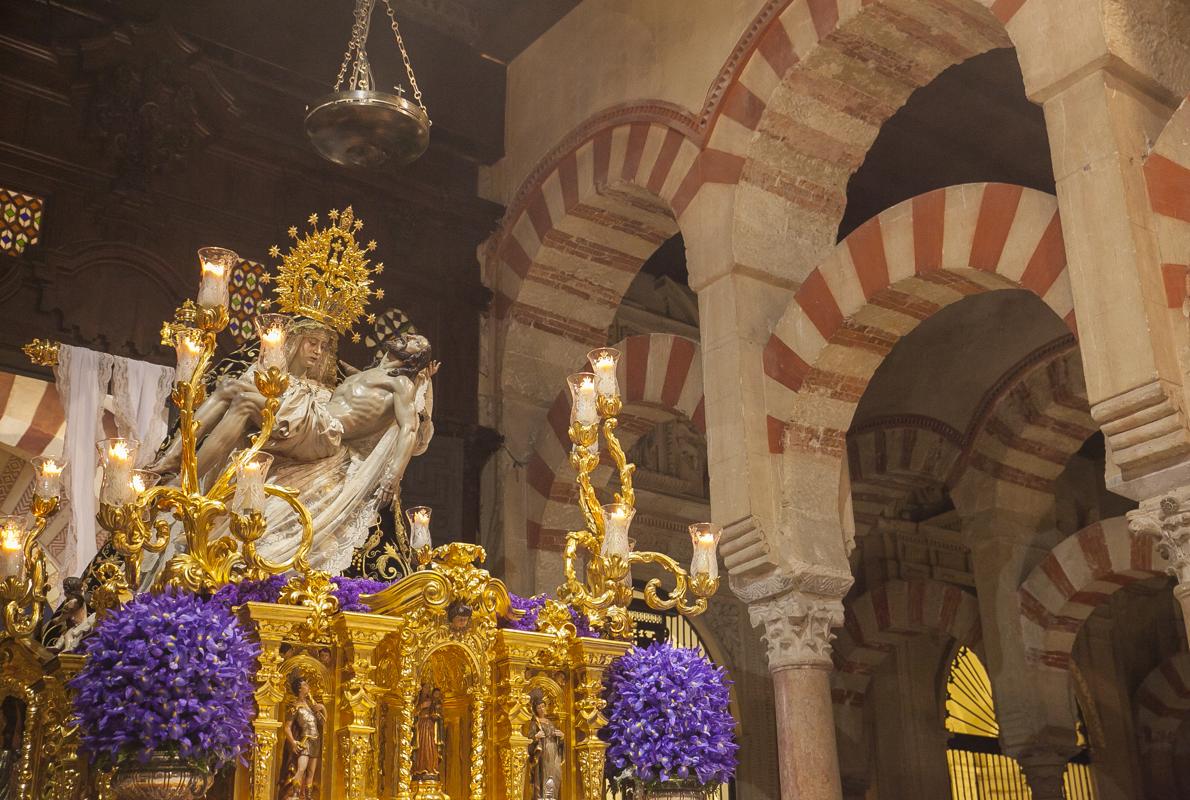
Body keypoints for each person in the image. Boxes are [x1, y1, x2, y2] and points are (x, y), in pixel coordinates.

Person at [279, 672, 326, 800]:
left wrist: (322, 709)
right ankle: (294, 794)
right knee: (301, 769)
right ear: (300, 689)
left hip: (315, 740)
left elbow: (322, 722)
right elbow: (287, 727)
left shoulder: (311, 707)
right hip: (305, 741)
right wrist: (293, 742)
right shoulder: (295, 708)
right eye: (305, 685)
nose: (307, 687)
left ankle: (308, 797)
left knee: (311, 772)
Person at [528, 690, 563, 800]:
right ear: (535, 710)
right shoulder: (535, 723)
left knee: (556, 774)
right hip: (543, 752)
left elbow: (557, 739)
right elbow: (529, 740)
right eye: (539, 708)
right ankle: (543, 797)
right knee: (545, 775)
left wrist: (561, 737)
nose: (542, 709)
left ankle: (553, 797)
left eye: (543, 706)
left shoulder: (550, 722)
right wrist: (536, 737)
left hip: (553, 751)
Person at [411, 684, 445, 780]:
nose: (427, 690)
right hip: (421, 726)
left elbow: (437, 713)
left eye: (428, 688)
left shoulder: (432, 700)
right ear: (421, 689)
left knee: (430, 747)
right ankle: (420, 768)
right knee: (422, 748)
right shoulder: (417, 700)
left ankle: (431, 768)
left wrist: (435, 715)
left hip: (430, 726)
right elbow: (412, 713)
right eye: (425, 688)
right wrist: (421, 706)